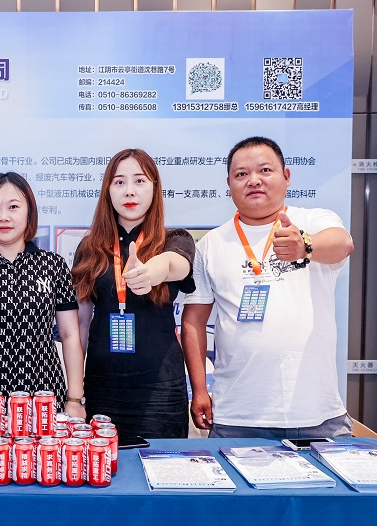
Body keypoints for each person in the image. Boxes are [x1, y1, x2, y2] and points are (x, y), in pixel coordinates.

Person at [181, 136, 355, 438]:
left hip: (316, 413)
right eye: (241, 174)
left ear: (286, 176)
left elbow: (343, 243)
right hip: (236, 416)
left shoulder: (312, 220)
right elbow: (193, 321)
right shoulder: (211, 244)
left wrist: (305, 245)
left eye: (265, 170)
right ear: (229, 184)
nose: (254, 181)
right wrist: (198, 390)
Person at [71, 149, 195, 443]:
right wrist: (74, 396)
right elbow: (80, 325)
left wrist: (151, 272)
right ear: (107, 190)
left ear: (154, 187)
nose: (129, 191)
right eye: (119, 182)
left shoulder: (175, 239)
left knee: (163, 466)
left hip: (160, 391)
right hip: (102, 390)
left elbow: (176, 265)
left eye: (139, 181)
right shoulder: (89, 248)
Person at [0, 172, 85, 418]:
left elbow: (70, 334)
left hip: (46, 395)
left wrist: (75, 399)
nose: (4, 216)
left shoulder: (52, 265)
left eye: (13, 207)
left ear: (29, 212)